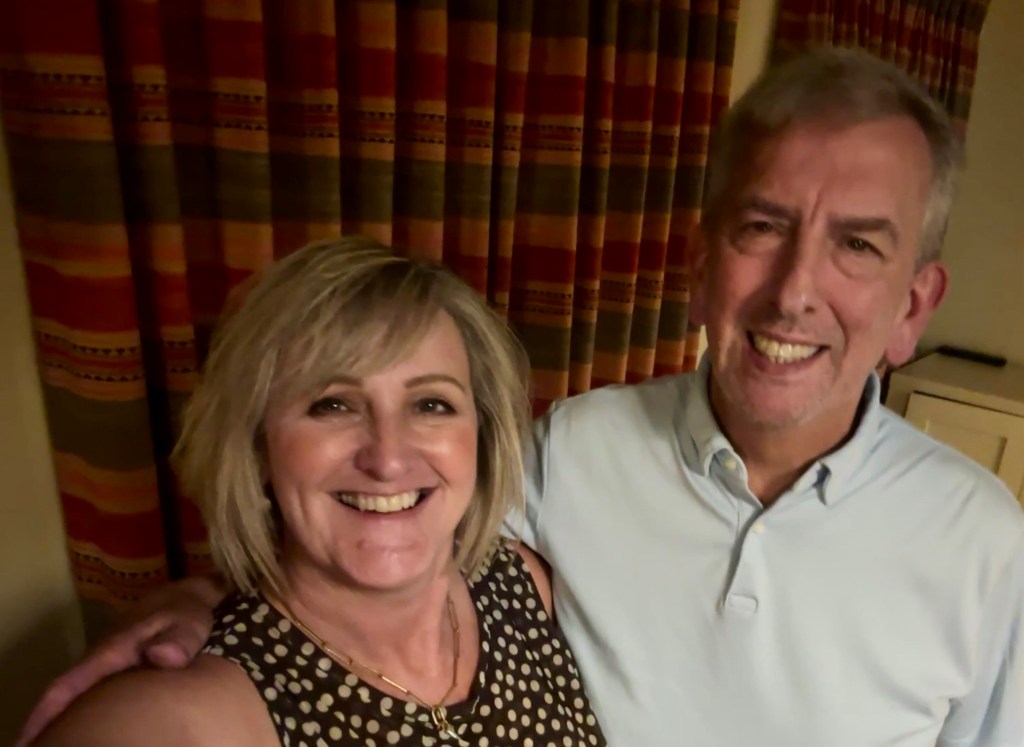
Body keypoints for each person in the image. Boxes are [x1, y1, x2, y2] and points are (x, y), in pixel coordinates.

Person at [19, 46, 1024, 747]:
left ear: (913, 306)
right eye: (761, 228)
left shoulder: (985, 542)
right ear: (698, 267)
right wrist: (200, 604)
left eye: (857, 244)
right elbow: (366, 552)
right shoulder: (573, 446)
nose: (795, 290)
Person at [28, 238, 607, 747]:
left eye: (431, 404)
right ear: (258, 445)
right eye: (332, 405)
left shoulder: (521, 585)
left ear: (481, 435)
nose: (388, 458)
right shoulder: (179, 719)